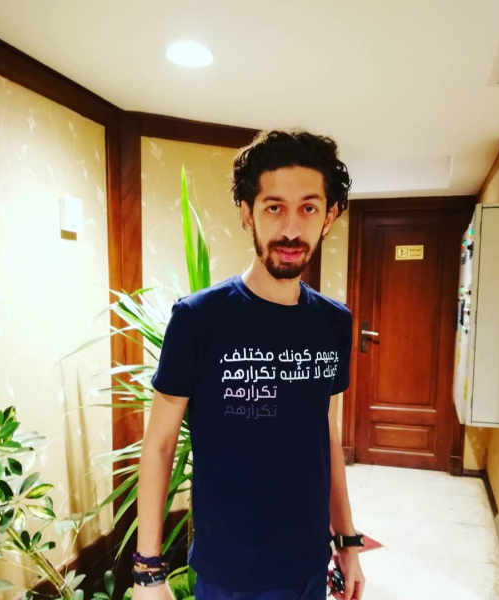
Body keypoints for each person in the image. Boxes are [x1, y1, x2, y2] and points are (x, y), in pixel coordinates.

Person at [132, 129, 366, 600]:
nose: (291, 229)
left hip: (309, 563)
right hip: (231, 575)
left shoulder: (333, 322)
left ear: (329, 216)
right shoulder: (198, 319)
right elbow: (159, 446)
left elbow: (327, 434)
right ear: (247, 213)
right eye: (274, 207)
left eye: (309, 208)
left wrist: (347, 541)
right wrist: (147, 571)